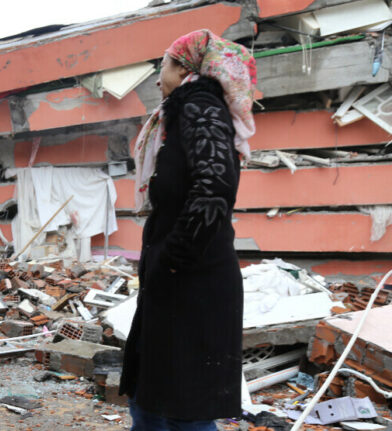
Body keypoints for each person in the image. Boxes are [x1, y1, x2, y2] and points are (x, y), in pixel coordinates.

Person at [121, 29, 257, 430]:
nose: (157, 76)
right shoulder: (182, 115)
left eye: (161, 65)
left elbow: (214, 190)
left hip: (193, 284)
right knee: (152, 400)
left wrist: (172, 261)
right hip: (176, 283)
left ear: (183, 68)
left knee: (183, 410)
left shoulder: (200, 107)